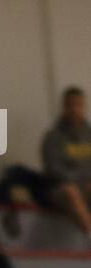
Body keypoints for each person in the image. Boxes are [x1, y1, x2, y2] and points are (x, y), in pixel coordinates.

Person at [40, 87, 91, 241]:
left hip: (87, 186)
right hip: (61, 188)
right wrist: (80, 179)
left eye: (78, 105)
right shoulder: (53, 137)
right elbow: (54, 169)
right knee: (71, 191)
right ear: (64, 107)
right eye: (70, 105)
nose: (74, 109)